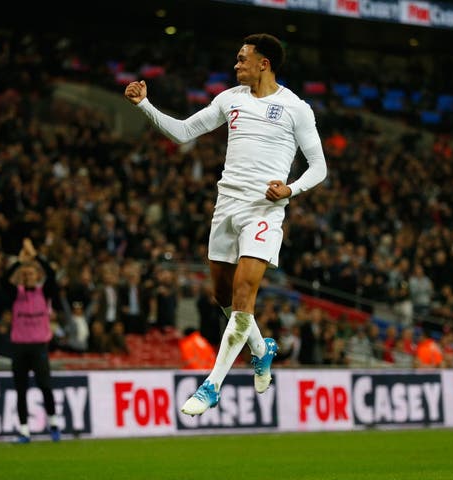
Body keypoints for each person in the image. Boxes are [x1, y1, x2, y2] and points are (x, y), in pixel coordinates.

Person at [125, 33, 327, 415]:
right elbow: (183, 132)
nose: (236, 66)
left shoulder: (294, 108)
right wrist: (144, 105)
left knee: (243, 298)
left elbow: (319, 166)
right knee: (223, 298)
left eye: (241, 59)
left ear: (263, 63)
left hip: (264, 211)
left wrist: (290, 190)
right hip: (226, 207)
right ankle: (261, 347)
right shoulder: (230, 99)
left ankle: (211, 385)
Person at [1, 238, 60, 443]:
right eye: (24, 274)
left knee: (45, 385)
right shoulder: (14, 294)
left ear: (37, 276)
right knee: (21, 389)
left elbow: (52, 275)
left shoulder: (45, 293)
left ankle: (53, 423)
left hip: (39, 346)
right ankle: (24, 430)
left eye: (31, 273)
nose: (27, 277)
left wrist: (35, 257)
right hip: (19, 346)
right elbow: (3, 280)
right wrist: (19, 261)